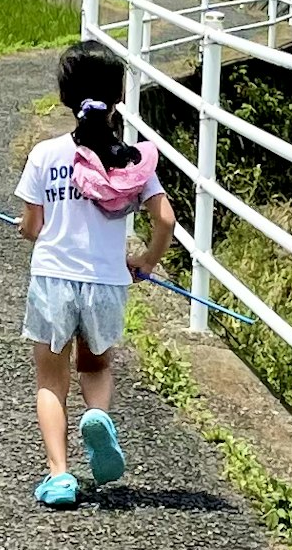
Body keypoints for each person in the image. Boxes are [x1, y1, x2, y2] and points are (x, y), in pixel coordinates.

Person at [14, 39, 175, 510]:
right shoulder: (132, 160)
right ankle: (98, 418)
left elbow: (32, 227)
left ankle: (60, 476)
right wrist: (145, 261)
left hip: (53, 277)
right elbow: (165, 219)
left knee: (50, 378)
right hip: (106, 281)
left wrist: (30, 230)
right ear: (118, 98)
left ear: (66, 97)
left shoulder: (45, 154)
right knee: (96, 365)